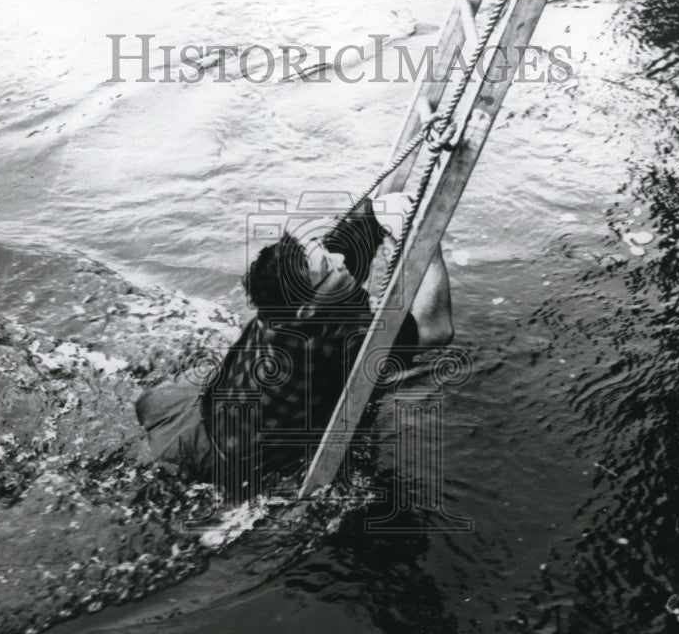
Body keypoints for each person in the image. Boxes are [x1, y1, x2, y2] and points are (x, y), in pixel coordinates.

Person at [134, 192, 453, 496]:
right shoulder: (334, 340)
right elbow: (436, 328)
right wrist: (428, 244)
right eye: (328, 265)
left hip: (207, 414)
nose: (338, 258)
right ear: (308, 309)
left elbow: (336, 252)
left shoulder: (288, 301)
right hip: (223, 459)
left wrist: (377, 213)